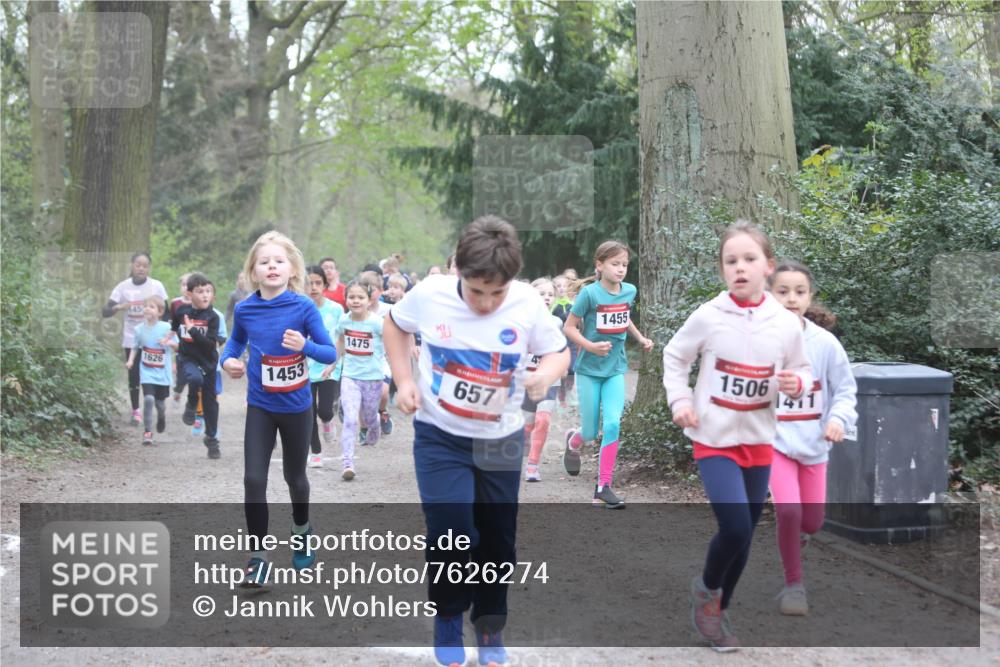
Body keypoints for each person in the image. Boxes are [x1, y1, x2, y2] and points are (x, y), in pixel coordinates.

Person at [384, 215, 568, 667]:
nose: (486, 303)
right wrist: (404, 379)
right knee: (452, 531)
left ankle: (488, 627)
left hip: (500, 440)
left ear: (512, 282)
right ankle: (448, 616)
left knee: (497, 539)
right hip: (440, 436)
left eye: (496, 293)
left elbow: (559, 350)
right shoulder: (430, 295)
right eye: (476, 291)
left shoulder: (526, 303)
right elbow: (394, 325)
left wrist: (545, 373)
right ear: (459, 275)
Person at [661, 220, 812, 651]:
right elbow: (675, 356)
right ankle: (708, 590)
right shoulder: (709, 316)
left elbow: (801, 370)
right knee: (735, 525)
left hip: (760, 440)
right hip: (713, 437)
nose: (740, 268)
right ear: (722, 270)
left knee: (744, 533)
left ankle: (718, 609)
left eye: (749, 259)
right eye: (731, 261)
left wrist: (796, 384)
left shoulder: (785, 324)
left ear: (768, 267)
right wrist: (681, 401)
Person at [221, 231, 337, 583]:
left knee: (295, 479)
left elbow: (329, 352)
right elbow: (231, 348)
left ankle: (302, 532)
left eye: (279, 261)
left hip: (297, 406)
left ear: (292, 269)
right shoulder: (244, 309)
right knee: (253, 478)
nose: (272, 266)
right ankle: (258, 558)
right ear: (253, 272)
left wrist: (305, 346)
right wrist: (229, 364)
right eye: (264, 262)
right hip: (260, 405)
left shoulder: (303, 307)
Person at [768, 260, 857, 616]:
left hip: (814, 446)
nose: (791, 298)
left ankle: (800, 535)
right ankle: (794, 586)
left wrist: (837, 419)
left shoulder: (825, 345)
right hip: (774, 444)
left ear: (810, 297)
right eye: (783, 291)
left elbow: (846, 391)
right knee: (788, 511)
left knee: (813, 521)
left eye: (799, 292)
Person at [561, 242, 653, 509]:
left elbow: (624, 317)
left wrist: (640, 338)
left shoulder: (629, 290)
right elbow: (569, 327)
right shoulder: (589, 294)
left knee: (612, 425)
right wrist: (589, 346)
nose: (621, 269)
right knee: (590, 432)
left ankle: (603, 486)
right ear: (599, 265)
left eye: (624, 264)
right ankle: (574, 440)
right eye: (615, 264)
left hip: (615, 370)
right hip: (589, 371)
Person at [102, 252, 168, 425]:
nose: (141, 268)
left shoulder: (156, 286)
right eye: (138, 264)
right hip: (132, 337)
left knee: (154, 370)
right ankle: (136, 411)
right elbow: (105, 312)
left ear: (149, 268)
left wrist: (168, 333)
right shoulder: (123, 287)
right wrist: (119, 307)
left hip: (153, 336)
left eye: (145, 265)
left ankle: (157, 401)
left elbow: (167, 312)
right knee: (134, 373)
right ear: (132, 265)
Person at [332, 279, 386, 479]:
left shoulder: (377, 323)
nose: (355, 301)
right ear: (346, 300)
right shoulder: (344, 321)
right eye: (351, 297)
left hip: (373, 378)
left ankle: (375, 424)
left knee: (369, 416)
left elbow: (391, 341)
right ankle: (347, 462)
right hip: (350, 376)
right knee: (350, 419)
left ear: (369, 300)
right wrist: (332, 364)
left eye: (360, 297)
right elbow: (340, 340)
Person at [171, 273, 221, 458]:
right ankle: (191, 402)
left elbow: (209, 345)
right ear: (189, 293)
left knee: (210, 404)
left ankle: (211, 438)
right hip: (188, 358)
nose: (205, 295)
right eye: (200, 292)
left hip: (208, 362)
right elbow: (175, 326)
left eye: (208, 291)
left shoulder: (213, 317)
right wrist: (174, 337)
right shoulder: (180, 311)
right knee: (194, 378)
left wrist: (193, 331)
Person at [522, 277, 565, 482]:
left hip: (548, 379)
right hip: (525, 380)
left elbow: (561, 350)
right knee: (526, 425)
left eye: (550, 294)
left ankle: (532, 465)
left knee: (543, 419)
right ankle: (522, 453)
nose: (547, 298)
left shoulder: (556, 322)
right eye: (542, 294)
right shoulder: (520, 321)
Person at [305, 264, 345, 468]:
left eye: (317, 283)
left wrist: (336, 361)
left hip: (330, 366)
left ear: (324, 284)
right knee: (308, 410)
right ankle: (316, 452)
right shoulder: (299, 309)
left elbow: (342, 338)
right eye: (309, 283)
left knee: (325, 410)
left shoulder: (336, 309)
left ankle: (328, 421)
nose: (313, 287)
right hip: (304, 368)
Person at [125, 295, 177, 446]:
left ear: (160, 312)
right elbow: (135, 347)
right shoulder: (139, 329)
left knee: (160, 404)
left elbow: (178, 346)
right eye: (145, 306)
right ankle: (147, 432)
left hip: (163, 374)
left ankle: (161, 416)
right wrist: (130, 360)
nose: (147, 308)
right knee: (148, 399)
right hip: (147, 372)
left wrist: (168, 342)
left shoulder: (167, 328)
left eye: (152, 306)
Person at [551, 273, 577, 408]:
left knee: (572, 370)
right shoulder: (552, 306)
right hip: (557, 344)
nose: (561, 288)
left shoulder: (573, 305)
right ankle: (559, 396)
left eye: (564, 286)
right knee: (560, 371)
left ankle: (566, 392)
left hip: (571, 343)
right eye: (558, 286)